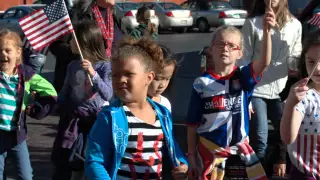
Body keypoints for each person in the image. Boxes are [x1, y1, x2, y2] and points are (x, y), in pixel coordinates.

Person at [85, 36, 188, 180]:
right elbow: (94, 161)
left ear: (149, 77)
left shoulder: (162, 114)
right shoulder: (111, 116)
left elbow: (173, 148)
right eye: (115, 75)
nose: (121, 79)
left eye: (128, 74)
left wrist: (183, 164)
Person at [186, 14, 273, 179]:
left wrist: (267, 33)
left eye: (231, 45)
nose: (225, 48)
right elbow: (192, 124)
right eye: (220, 44)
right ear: (211, 49)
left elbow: (264, 62)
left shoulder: (244, 77)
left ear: (239, 53)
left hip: (239, 155)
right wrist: (191, 156)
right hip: (209, 154)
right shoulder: (201, 83)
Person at [239, 0, 302, 177]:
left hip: (280, 89)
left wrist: (295, 62)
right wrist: (245, 92)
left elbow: (296, 58)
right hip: (257, 89)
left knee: (289, 134)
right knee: (260, 138)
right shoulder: (253, 22)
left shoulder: (294, 25)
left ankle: (282, 165)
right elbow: (244, 58)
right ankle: (258, 175)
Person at [51, 20, 113, 180]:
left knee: (91, 163)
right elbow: (66, 93)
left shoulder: (104, 67)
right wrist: (52, 104)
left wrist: (94, 75)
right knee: (70, 162)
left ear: (84, 42)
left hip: (95, 124)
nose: (70, 42)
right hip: (74, 124)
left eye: (73, 39)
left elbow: (108, 94)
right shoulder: (72, 65)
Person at [0, 29, 57, 180]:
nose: (3, 55)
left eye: (7, 50)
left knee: (26, 176)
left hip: (17, 136)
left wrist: (33, 108)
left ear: (18, 52)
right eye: (0, 51)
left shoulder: (26, 75)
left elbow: (50, 91)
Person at [50, 0, 123, 93]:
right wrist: (83, 54)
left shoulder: (113, 15)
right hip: (80, 87)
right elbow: (55, 46)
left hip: (109, 82)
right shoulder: (79, 14)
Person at [280, 29, 320, 180]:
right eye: (311, 61)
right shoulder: (303, 95)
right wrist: (291, 103)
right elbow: (287, 137)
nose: (317, 68)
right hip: (306, 175)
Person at [148, 45, 176, 112]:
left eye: (167, 79)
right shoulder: (129, 105)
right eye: (157, 79)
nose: (162, 85)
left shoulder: (165, 103)